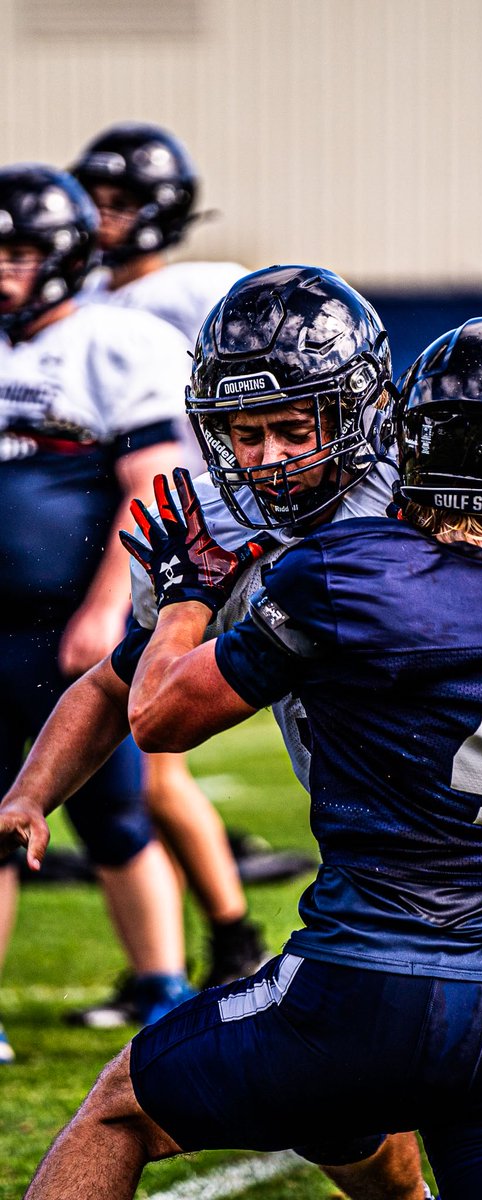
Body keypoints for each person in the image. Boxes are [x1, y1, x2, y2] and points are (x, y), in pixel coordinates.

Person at [0, 266, 482, 1197]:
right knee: (346, 1112)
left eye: (294, 428)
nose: (264, 459)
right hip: (406, 858)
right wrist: (32, 788)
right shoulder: (232, 520)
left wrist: (194, 595)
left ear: (372, 412)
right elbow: (120, 681)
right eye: (241, 431)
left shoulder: (424, 495)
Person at [66, 121, 263, 1020]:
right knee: (142, 765)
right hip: (145, 530)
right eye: (94, 198)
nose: (101, 218)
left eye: (121, 200)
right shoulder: (89, 298)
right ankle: (215, 943)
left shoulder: (198, 291)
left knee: (150, 761)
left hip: (200, 529)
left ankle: (229, 938)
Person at [0, 164, 196, 1060]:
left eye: (19, 250)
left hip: (71, 618)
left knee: (115, 811)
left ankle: (161, 985)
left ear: (64, 253)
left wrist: (109, 605)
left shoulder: (116, 342)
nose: (4, 268)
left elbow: (146, 485)